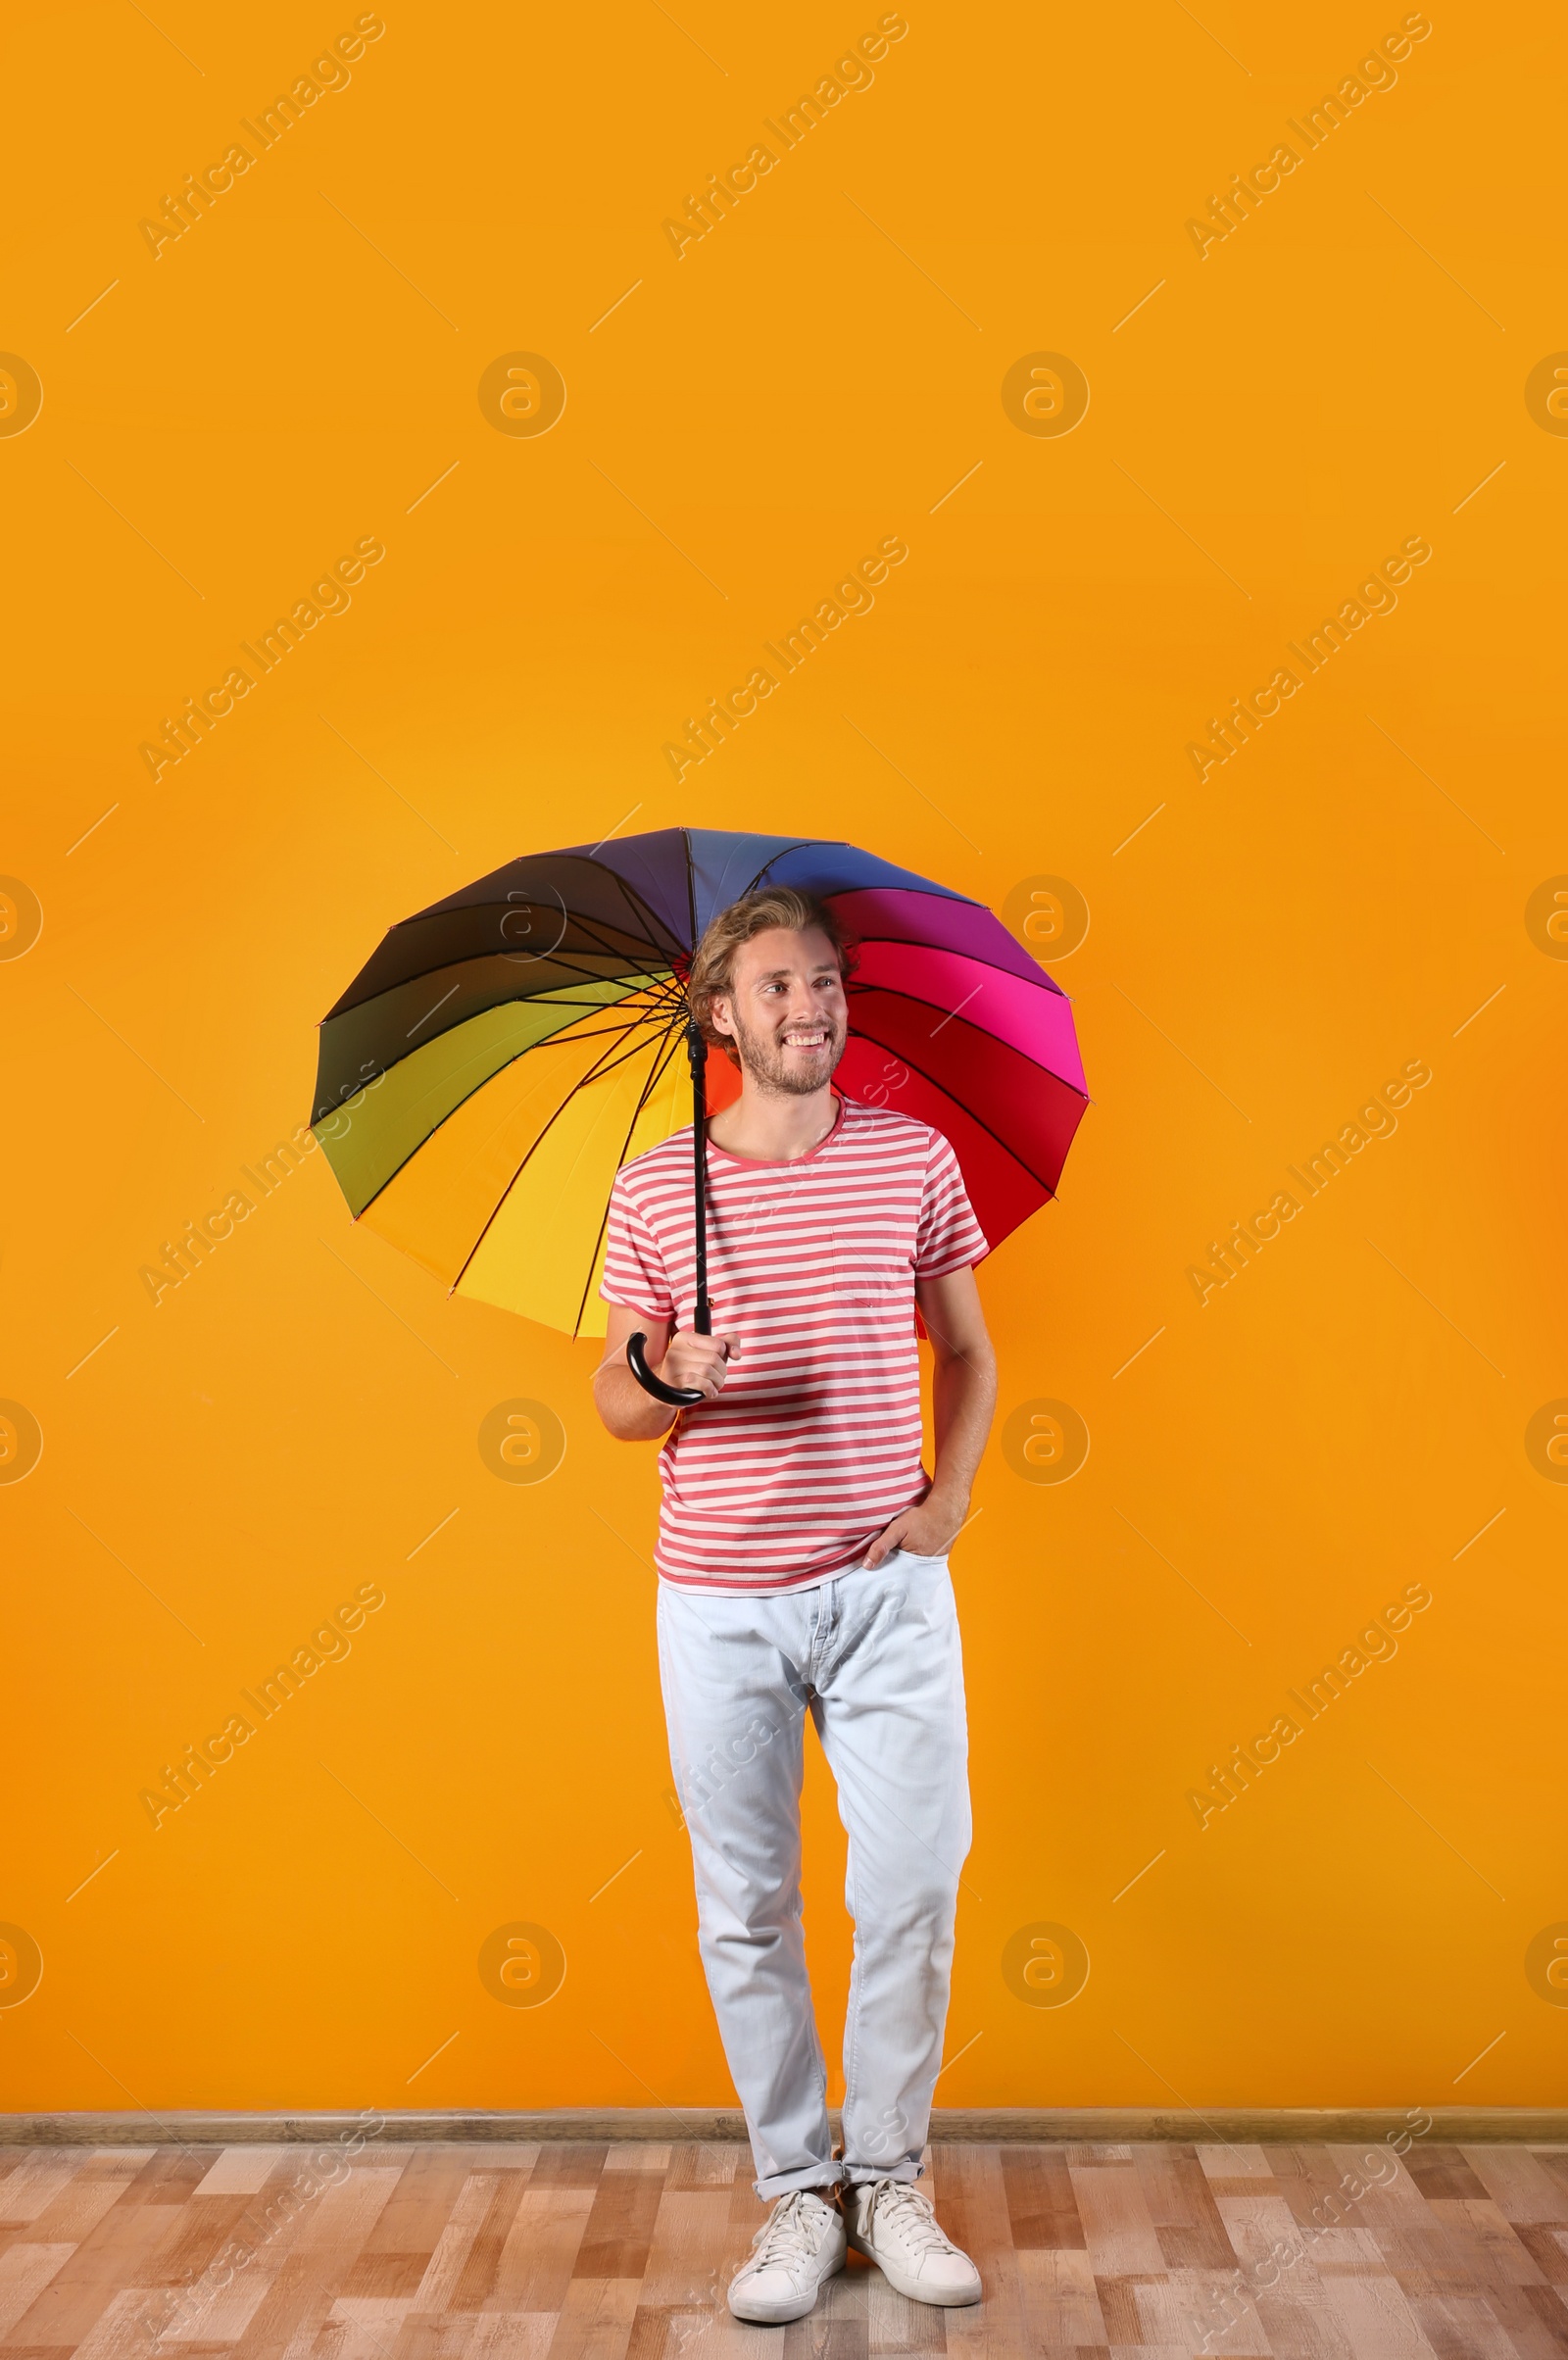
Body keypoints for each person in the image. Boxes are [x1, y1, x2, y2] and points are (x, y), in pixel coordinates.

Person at [592, 886, 998, 2325]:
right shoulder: (654, 1188)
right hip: (719, 1599)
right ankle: (794, 2192)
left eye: (825, 982)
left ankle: (889, 2176)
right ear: (720, 1013)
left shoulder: (914, 1158)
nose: (809, 1007)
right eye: (776, 986)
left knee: (911, 1882)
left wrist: (947, 1506)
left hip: (887, 1592)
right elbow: (609, 1406)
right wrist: (664, 1379)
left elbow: (967, 1349)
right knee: (746, 1909)